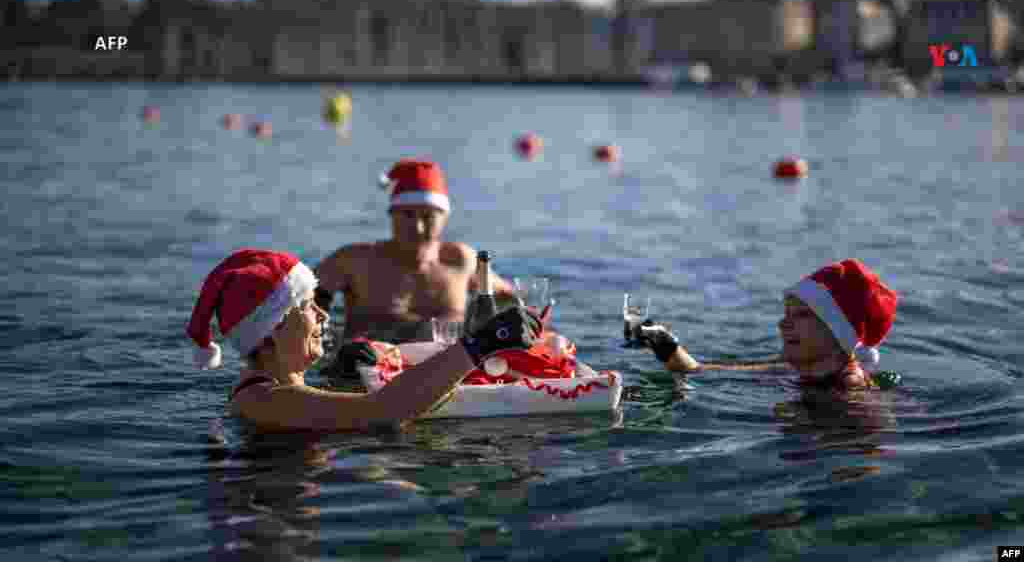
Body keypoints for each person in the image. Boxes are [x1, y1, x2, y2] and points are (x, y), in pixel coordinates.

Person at [186, 248, 542, 431]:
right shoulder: (262, 400)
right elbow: (385, 411)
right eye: (309, 307)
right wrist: (479, 345)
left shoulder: (275, 388)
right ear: (273, 327)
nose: (323, 315)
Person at [313, 158, 517, 346]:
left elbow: (509, 297)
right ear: (391, 215)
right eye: (407, 215)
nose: (417, 226)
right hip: (366, 369)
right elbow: (299, 300)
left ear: (444, 217)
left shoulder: (462, 260)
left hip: (443, 368)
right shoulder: (355, 261)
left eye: (428, 216)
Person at [630, 259, 898, 392]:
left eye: (801, 315)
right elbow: (699, 371)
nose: (783, 324)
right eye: (786, 314)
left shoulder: (849, 389)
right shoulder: (796, 367)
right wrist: (659, 341)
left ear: (839, 334)